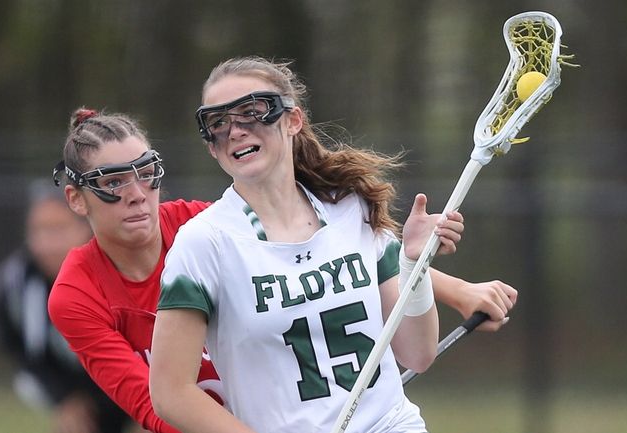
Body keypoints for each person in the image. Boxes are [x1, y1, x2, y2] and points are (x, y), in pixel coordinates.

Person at [48, 106, 515, 433]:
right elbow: (155, 402)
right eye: (112, 183)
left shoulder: (201, 226)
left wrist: (455, 290)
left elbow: (331, 257)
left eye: (146, 173)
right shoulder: (77, 294)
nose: (136, 193)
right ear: (75, 198)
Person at [149, 56, 517, 433]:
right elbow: (170, 392)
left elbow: (418, 354)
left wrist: (413, 264)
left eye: (252, 112)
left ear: (293, 121)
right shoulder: (204, 244)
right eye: (219, 123)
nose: (236, 130)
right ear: (212, 146)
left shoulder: (349, 209)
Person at [0, 179, 134, 433]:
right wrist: (63, 399)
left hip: (140, 386)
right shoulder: (14, 287)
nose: (46, 244)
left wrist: (154, 408)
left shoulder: (125, 272)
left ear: (86, 227)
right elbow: (20, 352)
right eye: (38, 231)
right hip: (77, 393)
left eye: (57, 229)